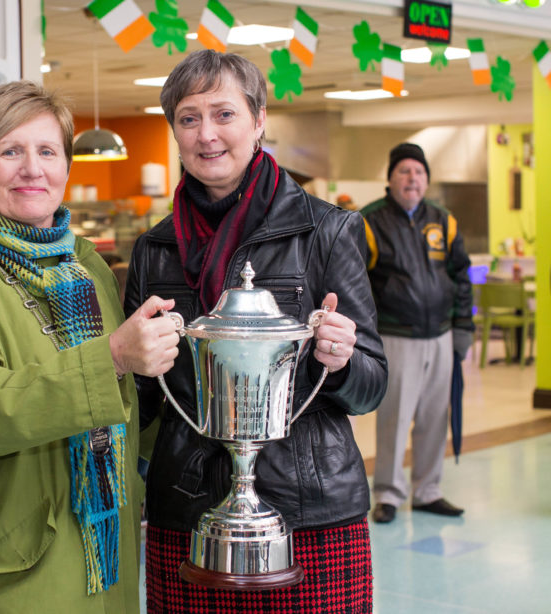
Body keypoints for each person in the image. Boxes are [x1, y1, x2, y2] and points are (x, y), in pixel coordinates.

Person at [124, 50, 388, 613]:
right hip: (187, 506)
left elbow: (372, 385)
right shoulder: (155, 249)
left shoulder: (328, 231)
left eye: (224, 114)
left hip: (310, 508)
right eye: (189, 118)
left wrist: (340, 360)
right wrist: (130, 362)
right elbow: (141, 404)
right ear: (174, 130)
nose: (207, 135)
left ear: (259, 119)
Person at [0, 81, 180, 613]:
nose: (33, 169)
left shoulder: (86, 266)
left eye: (47, 151)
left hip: (108, 552)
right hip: (16, 562)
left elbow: (127, 406)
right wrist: (114, 357)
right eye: (10, 151)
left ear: (66, 168)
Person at [361, 142, 474, 524]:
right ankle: (389, 493)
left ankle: (428, 490)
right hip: (396, 335)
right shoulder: (370, 221)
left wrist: (463, 327)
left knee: (433, 417)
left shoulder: (444, 221)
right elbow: (354, 283)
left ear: (427, 180)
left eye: (419, 172)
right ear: (390, 179)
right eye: (405, 171)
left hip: (440, 335)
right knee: (394, 418)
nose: (412, 178)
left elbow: (461, 277)